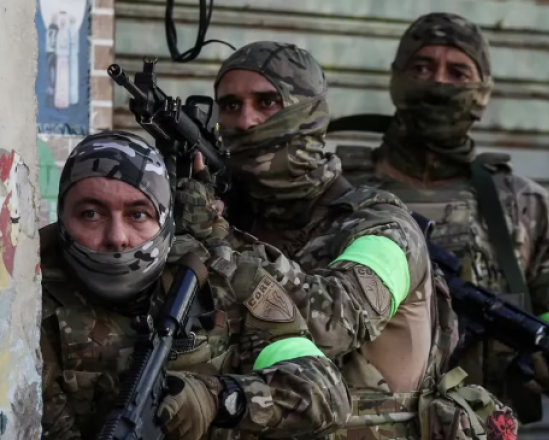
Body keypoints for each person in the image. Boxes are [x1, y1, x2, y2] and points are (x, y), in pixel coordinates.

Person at [209, 41, 518, 438]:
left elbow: (329, 323)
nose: (248, 121)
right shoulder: (228, 212)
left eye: (267, 102)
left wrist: (216, 238)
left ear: (311, 113)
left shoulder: (385, 229)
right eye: (231, 105)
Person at [333, 12, 549, 422]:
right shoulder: (333, 190)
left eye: (457, 72)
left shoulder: (527, 209)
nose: (439, 83)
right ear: (397, 78)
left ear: (482, 91)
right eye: (422, 67)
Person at [40, 131, 349, 440]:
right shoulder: (28, 304)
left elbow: (327, 392)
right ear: (63, 219)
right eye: (91, 214)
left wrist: (221, 399)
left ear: (164, 220)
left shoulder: (227, 278)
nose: (117, 236)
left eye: (138, 214)